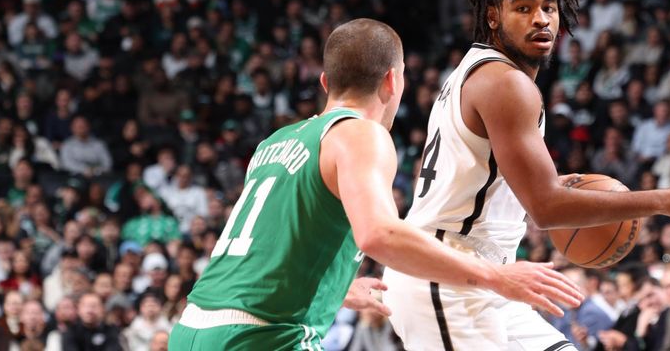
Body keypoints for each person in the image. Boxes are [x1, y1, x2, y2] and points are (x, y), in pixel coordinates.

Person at [170, 19, 583, 350]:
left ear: (325, 83)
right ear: (393, 82)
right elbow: (379, 234)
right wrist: (497, 277)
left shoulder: (275, 142)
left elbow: (262, 250)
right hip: (261, 338)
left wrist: (336, 289)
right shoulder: (362, 133)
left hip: (192, 327)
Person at [383, 0, 670, 351]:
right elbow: (546, 208)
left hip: (485, 275)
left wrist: (540, 187)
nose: (542, 19)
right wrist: (665, 200)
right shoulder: (505, 83)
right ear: (493, 17)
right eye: (524, 7)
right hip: (445, 276)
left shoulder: (479, 72)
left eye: (548, 7)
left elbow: (484, 179)